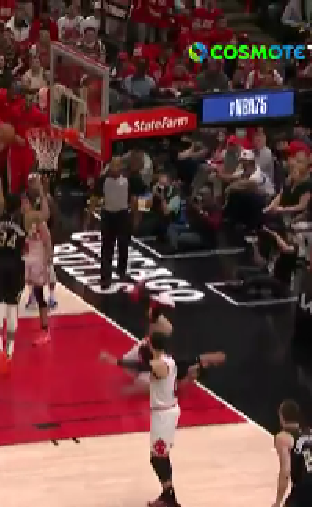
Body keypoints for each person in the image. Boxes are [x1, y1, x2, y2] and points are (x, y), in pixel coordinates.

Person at [0, 135, 47, 374]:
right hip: (15, 265)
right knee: (12, 308)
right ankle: (10, 352)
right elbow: (45, 215)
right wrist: (41, 191)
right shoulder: (27, 218)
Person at [102, 332, 181, 507]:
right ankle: (168, 495)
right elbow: (146, 367)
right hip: (162, 413)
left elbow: (143, 367)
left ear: (152, 345)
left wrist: (115, 361)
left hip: (165, 415)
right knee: (157, 457)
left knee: (158, 457)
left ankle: (169, 498)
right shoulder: (166, 361)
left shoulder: (162, 364)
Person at [93, 157, 145, 290]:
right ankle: (105, 277)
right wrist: (89, 215)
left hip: (123, 215)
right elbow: (95, 197)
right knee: (107, 247)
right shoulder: (103, 180)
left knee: (123, 245)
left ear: (121, 167)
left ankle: (122, 272)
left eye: (117, 166)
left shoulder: (129, 179)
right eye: (113, 166)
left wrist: (136, 217)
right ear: (110, 167)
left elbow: (134, 199)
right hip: (108, 215)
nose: (115, 169)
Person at [273, 400, 312, 507]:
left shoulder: (283, 437)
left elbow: (285, 471)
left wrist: (277, 502)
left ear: (282, 417)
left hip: (304, 485)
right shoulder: (310, 433)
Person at [21, 175, 55, 341]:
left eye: (25, 203)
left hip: (38, 261)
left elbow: (47, 240)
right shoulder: (22, 219)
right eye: (22, 203)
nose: (23, 205)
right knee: (24, 290)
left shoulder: (38, 220)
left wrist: (48, 260)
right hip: (27, 259)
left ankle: (45, 330)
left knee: (40, 294)